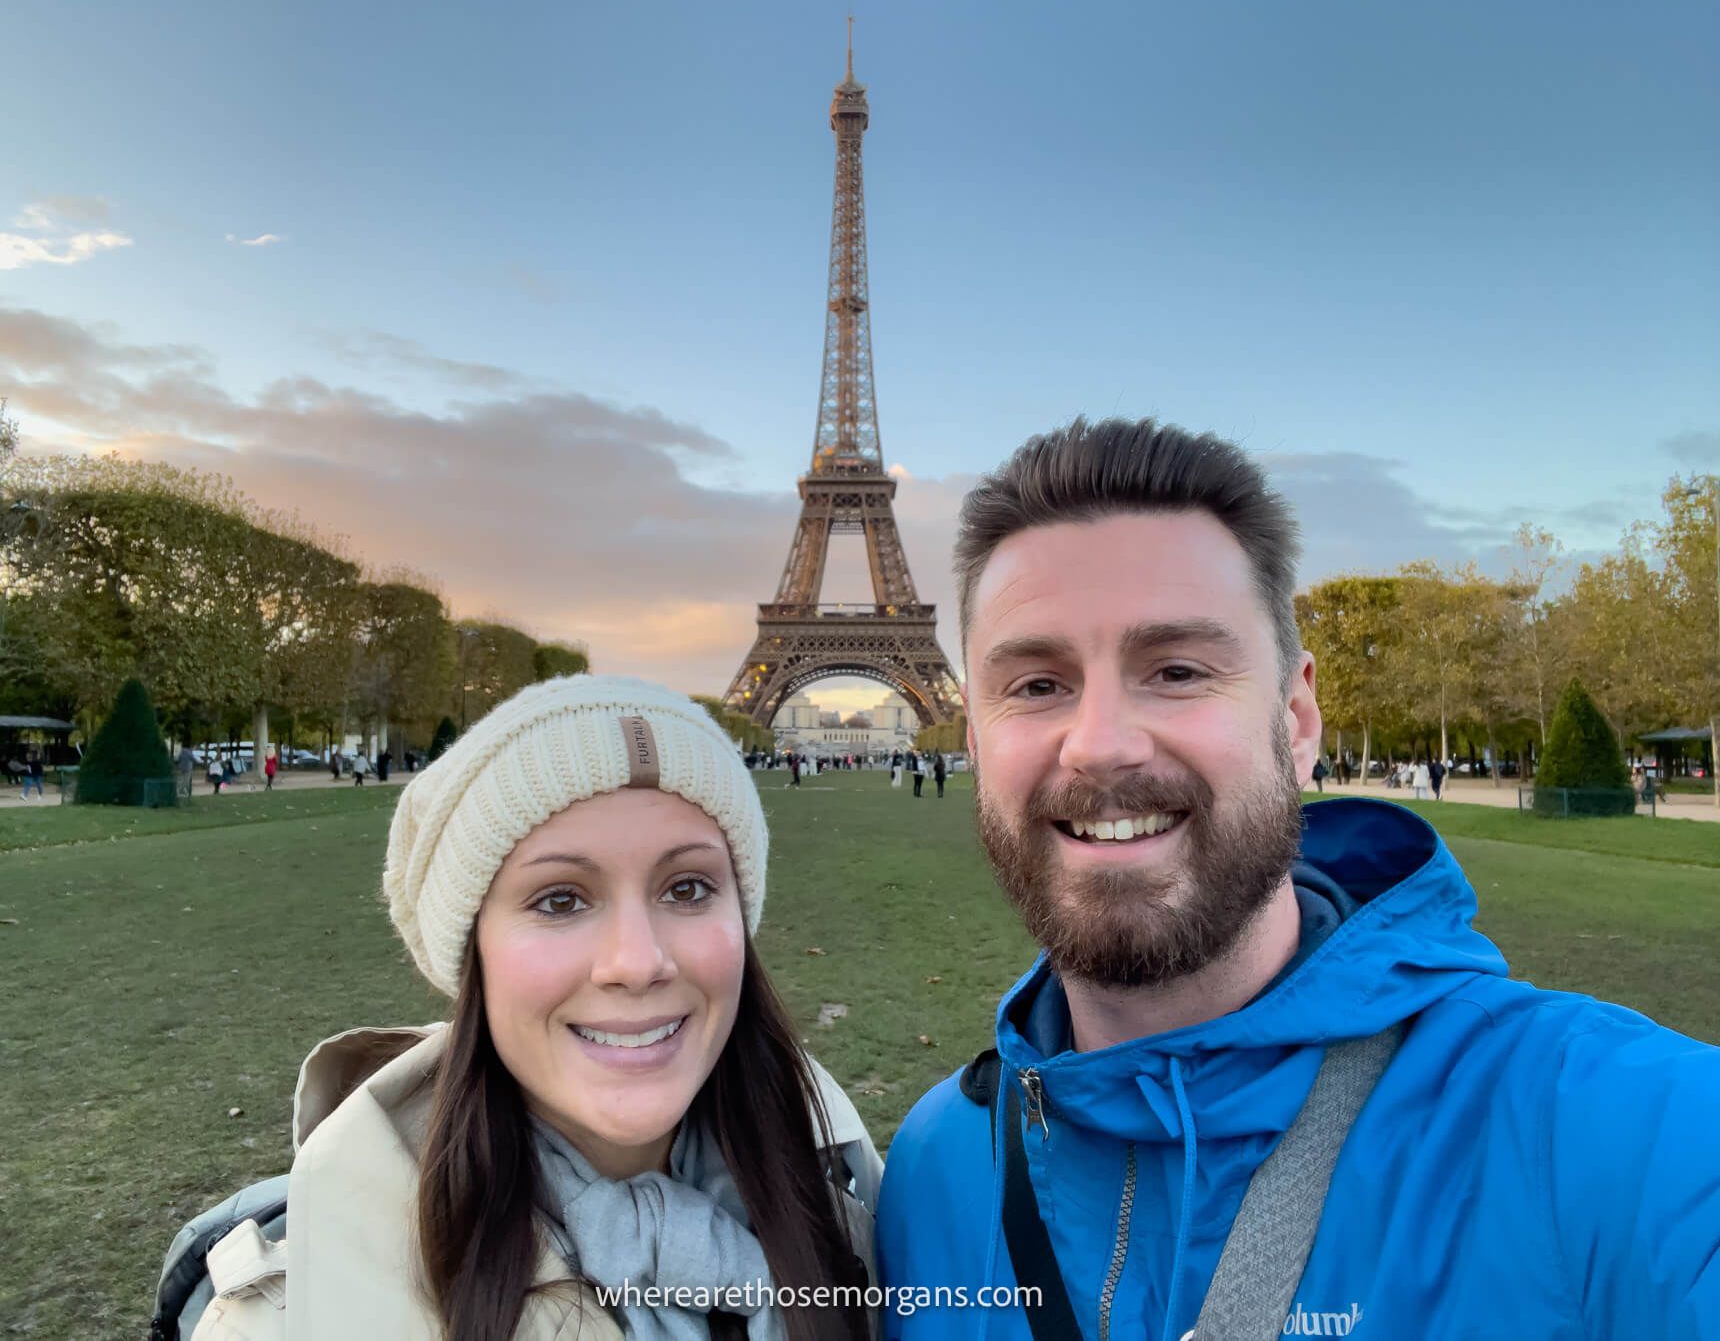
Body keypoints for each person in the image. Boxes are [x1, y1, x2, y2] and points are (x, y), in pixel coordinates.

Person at [874, 416, 1720, 1339]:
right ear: (972, 741)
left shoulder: (1614, 1131)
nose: (1101, 744)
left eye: (1178, 668)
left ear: (1298, 718)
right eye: (1036, 685)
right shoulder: (931, 1170)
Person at [187, 675, 879, 1340]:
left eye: (689, 888)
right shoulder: (279, 1319)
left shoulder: (863, 1207)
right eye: (560, 900)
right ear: (473, 951)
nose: (637, 962)